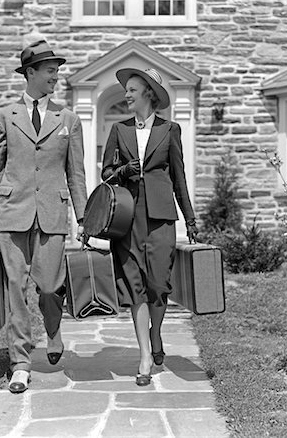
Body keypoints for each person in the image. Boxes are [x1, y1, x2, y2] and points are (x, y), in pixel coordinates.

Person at [0, 40, 88, 394]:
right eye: (50, 71)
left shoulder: (68, 119)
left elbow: (76, 173)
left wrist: (83, 217)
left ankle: (53, 332)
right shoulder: (3, 117)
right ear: (31, 73)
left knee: (52, 287)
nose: (56, 77)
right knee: (15, 290)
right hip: (13, 213)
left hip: (53, 213)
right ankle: (20, 363)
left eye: (57, 70)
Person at [101, 68, 198, 386]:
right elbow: (106, 174)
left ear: (149, 93)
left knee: (158, 285)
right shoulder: (119, 129)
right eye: (126, 89)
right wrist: (123, 170)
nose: (126, 94)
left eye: (131, 89)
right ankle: (145, 354)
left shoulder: (171, 129)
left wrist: (190, 218)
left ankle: (156, 333)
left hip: (160, 218)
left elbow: (179, 178)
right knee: (134, 288)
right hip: (127, 220)